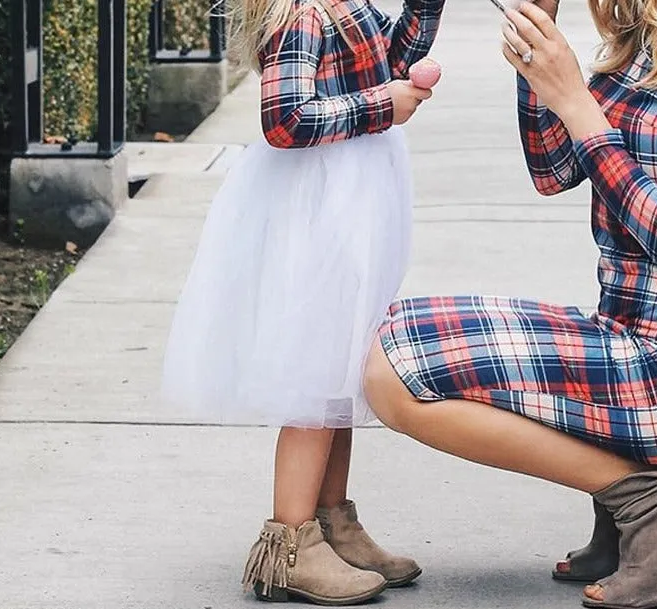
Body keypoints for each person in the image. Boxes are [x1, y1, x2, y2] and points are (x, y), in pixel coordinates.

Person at [363, 0, 657, 607]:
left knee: (397, 375)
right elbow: (554, 167)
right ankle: (635, 495)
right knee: (391, 334)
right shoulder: (649, 32)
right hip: (626, 336)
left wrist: (576, 101)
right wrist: (540, 44)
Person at [160, 0, 444, 603]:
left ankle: (333, 521)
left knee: (341, 367)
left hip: (355, 198)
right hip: (322, 208)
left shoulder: (344, 5)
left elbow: (393, 60)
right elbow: (284, 119)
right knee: (318, 368)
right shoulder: (305, 13)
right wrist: (380, 106)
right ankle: (290, 545)